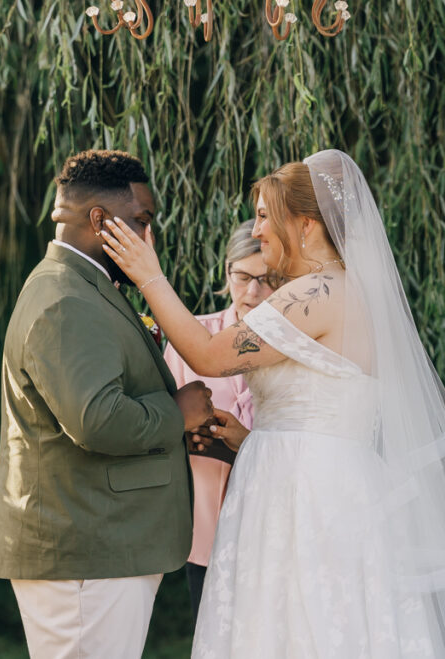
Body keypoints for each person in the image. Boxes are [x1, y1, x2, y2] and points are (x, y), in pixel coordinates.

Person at [101, 149, 445, 658]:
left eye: (267, 216)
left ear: (307, 225)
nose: (259, 230)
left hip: (305, 499)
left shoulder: (315, 293)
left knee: (300, 625)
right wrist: (251, 441)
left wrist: (148, 275)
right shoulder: (343, 291)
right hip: (325, 483)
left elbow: (209, 354)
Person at [0, 149, 214, 659]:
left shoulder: (83, 288)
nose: (150, 239)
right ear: (100, 220)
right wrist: (179, 413)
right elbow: (98, 419)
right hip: (84, 554)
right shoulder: (66, 300)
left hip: (96, 548)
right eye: (142, 221)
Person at [163, 219, 275, 619]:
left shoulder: (299, 349)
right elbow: (158, 427)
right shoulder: (192, 340)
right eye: (243, 276)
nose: (253, 293)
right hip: (206, 536)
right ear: (226, 273)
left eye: (268, 280)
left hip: (279, 533)